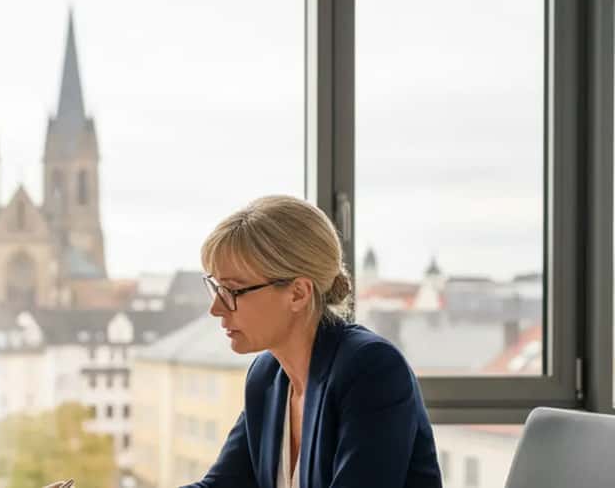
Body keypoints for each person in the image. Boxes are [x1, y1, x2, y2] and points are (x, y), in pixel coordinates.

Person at [183, 195, 442, 488]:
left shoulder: (372, 368)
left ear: (298, 293)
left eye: (233, 290)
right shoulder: (266, 376)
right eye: (216, 287)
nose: (216, 307)